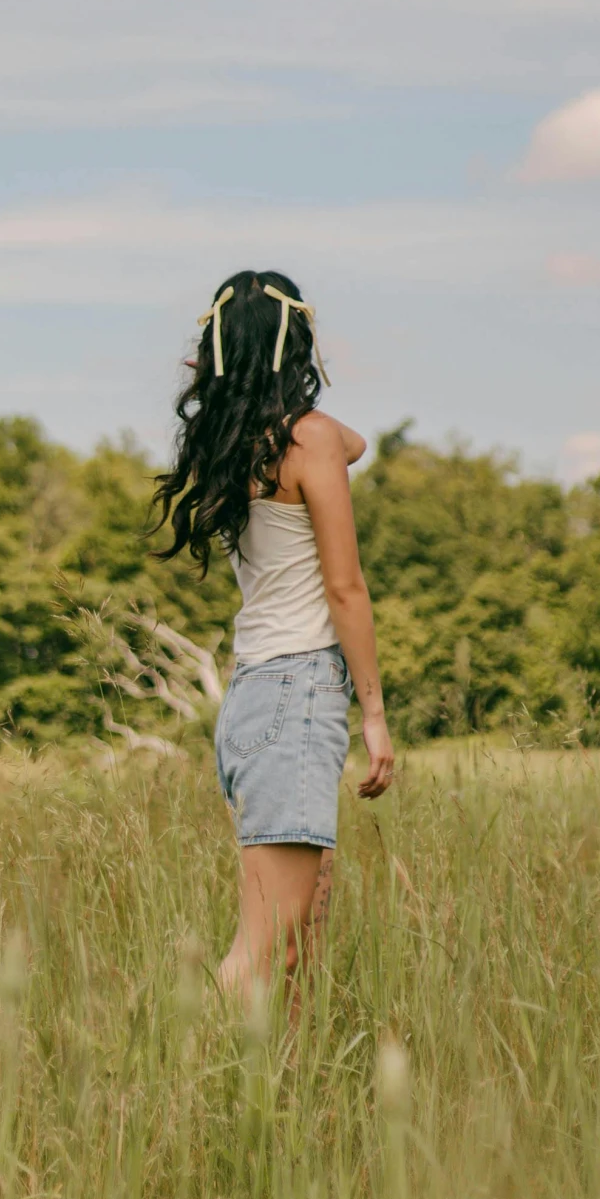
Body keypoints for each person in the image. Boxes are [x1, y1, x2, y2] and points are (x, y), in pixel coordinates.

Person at [149, 269, 394, 995]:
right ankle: (176, 1084)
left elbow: (357, 443)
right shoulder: (308, 437)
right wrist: (375, 714)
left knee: (289, 956)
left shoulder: (231, 445)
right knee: (257, 955)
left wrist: (232, 382)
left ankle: (275, 1101)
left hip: (254, 696)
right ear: (299, 348)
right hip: (299, 691)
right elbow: (345, 587)